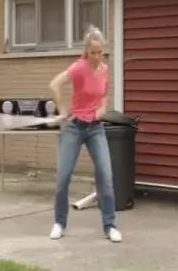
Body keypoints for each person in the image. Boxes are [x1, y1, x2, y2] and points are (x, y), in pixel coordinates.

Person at [48, 25, 122, 243]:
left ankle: (110, 226)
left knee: (106, 177)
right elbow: (55, 84)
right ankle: (59, 223)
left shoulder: (105, 70)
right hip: (74, 127)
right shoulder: (79, 67)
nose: (97, 57)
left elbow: (103, 94)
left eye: (100, 52)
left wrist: (101, 108)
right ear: (86, 52)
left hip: (96, 128)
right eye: (93, 52)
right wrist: (62, 111)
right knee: (63, 178)